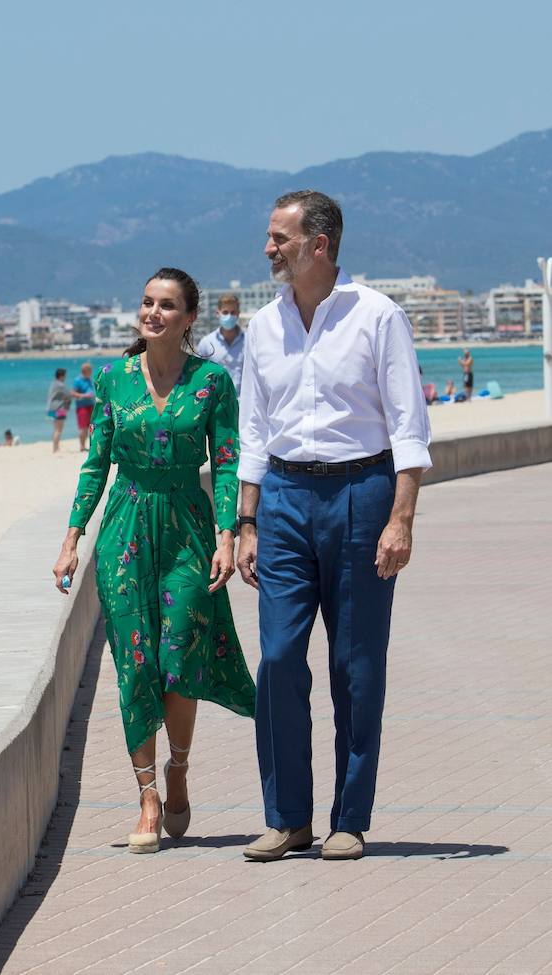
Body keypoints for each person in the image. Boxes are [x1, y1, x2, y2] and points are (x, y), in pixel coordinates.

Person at [237, 190, 431, 862]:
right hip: (285, 498)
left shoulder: (378, 316)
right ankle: (287, 817)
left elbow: (409, 426)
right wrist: (247, 520)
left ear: (320, 244)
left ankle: (348, 817)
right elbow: (254, 432)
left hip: (361, 493)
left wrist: (400, 517)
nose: (269, 249)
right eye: (270, 237)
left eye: (280, 238)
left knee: (355, 664)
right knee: (280, 657)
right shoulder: (263, 327)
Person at [52, 268, 255, 855]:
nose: (153, 313)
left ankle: (180, 768)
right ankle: (145, 794)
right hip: (126, 527)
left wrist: (227, 533)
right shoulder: (114, 379)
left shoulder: (212, 382)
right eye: (146, 303)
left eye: (167, 305)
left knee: (178, 654)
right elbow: (96, 465)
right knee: (135, 661)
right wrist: (72, 538)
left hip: (187, 527)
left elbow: (227, 462)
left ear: (190, 318)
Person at [196, 293, 247, 390]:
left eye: (233, 312)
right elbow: (199, 375)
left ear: (238, 314)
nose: (229, 316)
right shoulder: (206, 343)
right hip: (216, 402)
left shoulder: (249, 341)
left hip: (243, 401)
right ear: (217, 313)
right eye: (225, 312)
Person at [71, 362, 96, 452]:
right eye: (90, 370)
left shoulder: (89, 379)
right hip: (82, 406)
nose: (91, 372)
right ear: (85, 370)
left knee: (92, 426)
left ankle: (90, 445)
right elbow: (72, 393)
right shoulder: (78, 380)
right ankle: (82, 446)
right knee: (83, 427)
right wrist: (84, 395)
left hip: (91, 405)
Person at [47, 368, 72, 452]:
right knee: (59, 429)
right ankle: (56, 448)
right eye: (65, 376)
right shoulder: (61, 385)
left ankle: (55, 447)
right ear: (61, 376)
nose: (65, 377)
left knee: (56, 429)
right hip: (59, 408)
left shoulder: (53, 384)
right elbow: (69, 394)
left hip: (51, 408)